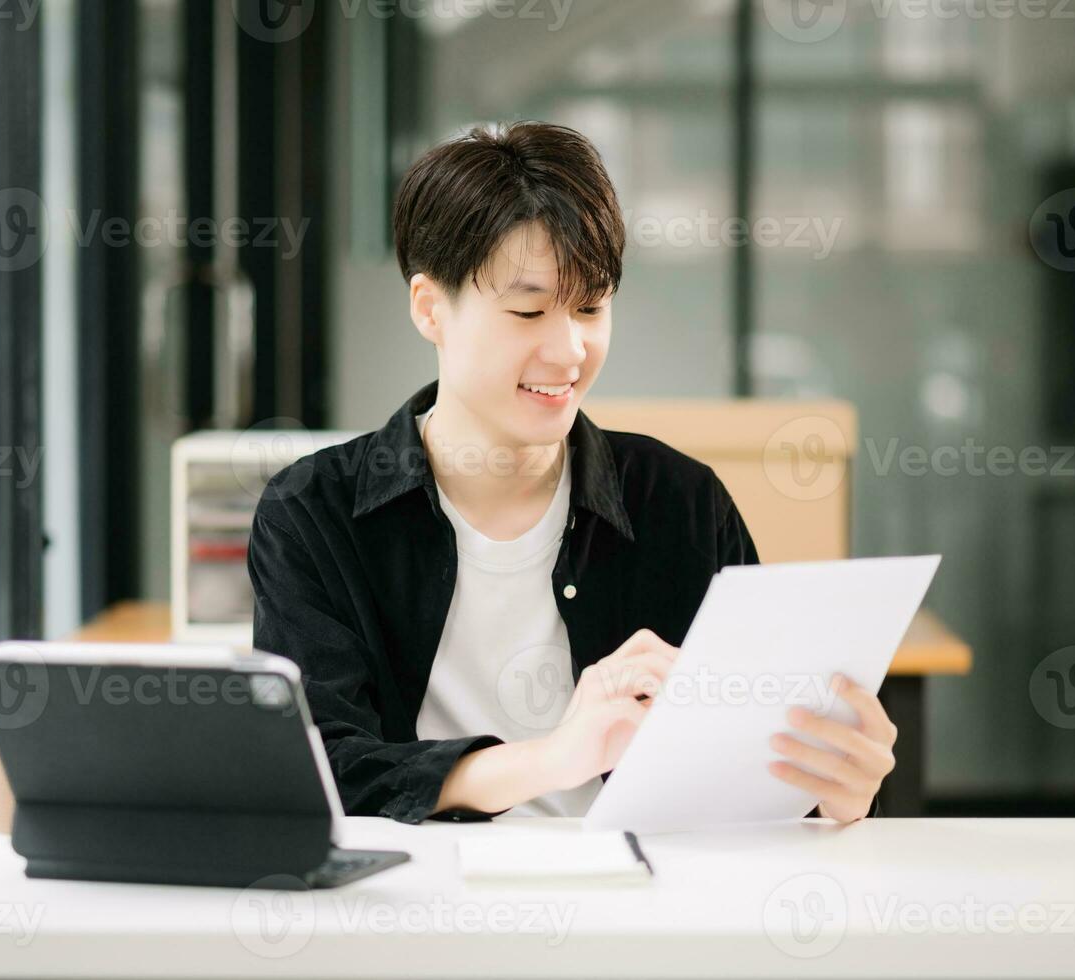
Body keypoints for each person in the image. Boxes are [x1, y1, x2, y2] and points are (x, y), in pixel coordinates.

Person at [247, 121, 894, 823]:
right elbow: (319, 770)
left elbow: (745, 777)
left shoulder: (681, 503)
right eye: (528, 310)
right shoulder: (314, 513)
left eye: (590, 307)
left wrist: (830, 790)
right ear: (431, 308)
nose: (569, 351)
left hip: (639, 911)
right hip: (414, 910)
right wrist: (557, 757)